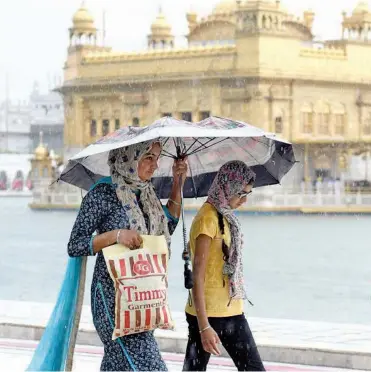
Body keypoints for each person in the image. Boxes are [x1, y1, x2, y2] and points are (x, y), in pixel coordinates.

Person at [67, 140, 188, 371]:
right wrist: (116, 235)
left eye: (157, 158)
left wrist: (177, 182)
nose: (155, 165)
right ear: (128, 158)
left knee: (118, 364)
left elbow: (167, 226)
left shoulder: (146, 192)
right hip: (112, 298)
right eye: (148, 158)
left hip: (143, 296)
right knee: (149, 365)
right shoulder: (103, 194)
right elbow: (75, 244)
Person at [183, 160, 265, 371]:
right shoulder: (207, 220)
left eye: (248, 194)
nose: (244, 200)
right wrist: (203, 327)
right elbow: (198, 277)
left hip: (231, 310)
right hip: (207, 313)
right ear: (227, 187)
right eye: (241, 194)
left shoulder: (225, 215)